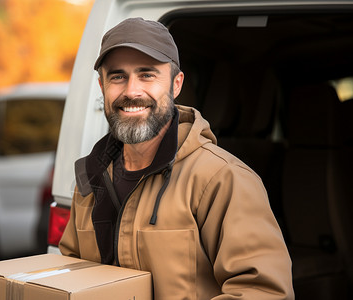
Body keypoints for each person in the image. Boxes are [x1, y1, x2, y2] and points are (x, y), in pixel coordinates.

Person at [59, 17, 294, 299]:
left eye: (147, 74)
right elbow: (69, 277)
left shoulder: (223, 179)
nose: (131, 91)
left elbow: (263, 291)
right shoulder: (90, 177)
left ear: (176, 84)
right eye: (118, 76)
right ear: (102, 86)